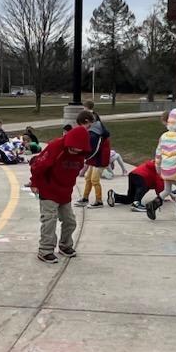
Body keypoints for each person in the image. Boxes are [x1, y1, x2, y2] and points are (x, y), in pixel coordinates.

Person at [29, 111, 94, 263]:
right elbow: (38, 166)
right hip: (48, 189)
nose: (74, 152)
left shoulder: (81, 154)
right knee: (49, 220)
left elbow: (72, 173)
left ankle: (65, 245)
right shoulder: (56, 146)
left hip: (64, 192)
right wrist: (34, 183)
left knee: (70, 221)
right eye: (72, 149)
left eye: (78, 150)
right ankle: (45, 250)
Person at [75, 113, 111, 209]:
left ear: (87, 121)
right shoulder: (94, 129)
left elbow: (94, 149)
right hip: (94, 159)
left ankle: (99, 201)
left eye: (82, 125)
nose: (82, 128)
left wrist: (85, 157)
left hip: (100, 159)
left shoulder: (95, 133)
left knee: (95, 180)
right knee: (88, 178)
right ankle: (85, 198)